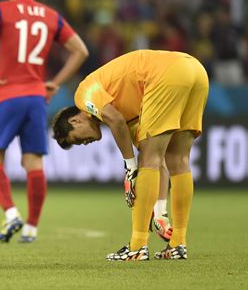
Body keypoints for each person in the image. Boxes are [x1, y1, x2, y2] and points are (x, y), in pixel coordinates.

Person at [51, 50, 208, 260]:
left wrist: (130, 167)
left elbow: (115, 120)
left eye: (77, 139)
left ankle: (137, 247)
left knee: (147, 162)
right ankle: (178, 243)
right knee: (176, 159)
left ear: (75, 121)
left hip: (165, 74)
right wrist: (160, 211)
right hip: (195, 70)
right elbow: (157, 161)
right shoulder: (130, 111)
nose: (85, 143)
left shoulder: (83, 94)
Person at [0, 0, 89, 243]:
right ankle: (32, 227)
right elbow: (80, 51)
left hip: (6, 93)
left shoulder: (0, 10)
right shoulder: (50, 15)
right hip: (37, 96)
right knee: (33, 161)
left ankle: (12, 213)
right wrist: (56, 82)